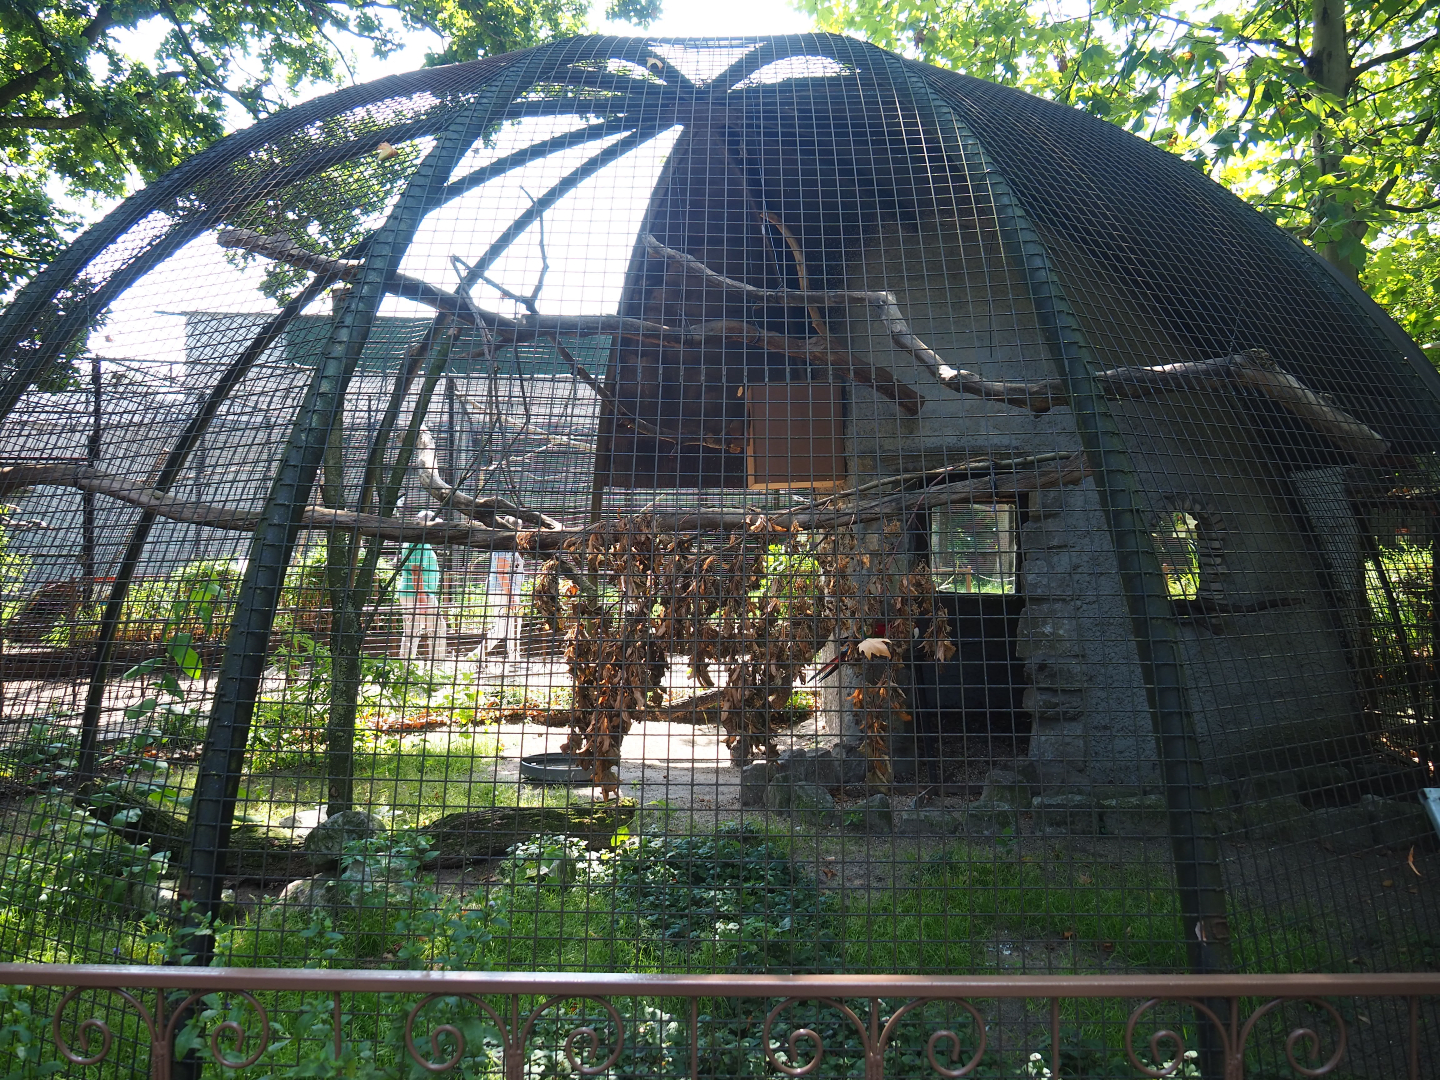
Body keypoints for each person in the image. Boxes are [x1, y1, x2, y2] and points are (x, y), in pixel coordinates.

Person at [397, 511, 448, 662]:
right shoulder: (421, 541)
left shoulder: (412, 539)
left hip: (413, 593)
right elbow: (416, 570)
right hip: (418, 595)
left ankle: (405, 670)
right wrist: (422, 599)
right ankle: (436, 669)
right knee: (435, 630)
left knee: (412, 633)